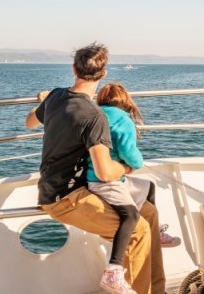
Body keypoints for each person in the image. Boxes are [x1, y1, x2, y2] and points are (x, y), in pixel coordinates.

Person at [25, 43, 165, 294]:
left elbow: (30, 121)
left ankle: (157, 290)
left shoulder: (56, 96)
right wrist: (125, 168)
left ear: (73, 69)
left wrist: (44, 101)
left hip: (56, 188)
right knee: (138, 229)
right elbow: (104, 172)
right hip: (68, 198)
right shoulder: (94, 116)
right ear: (103, 74)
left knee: (149, 212)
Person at [87, 82, 181, 284]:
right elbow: (129, 153)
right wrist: (135, 163)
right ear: (125, 101)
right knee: (130, 215)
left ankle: (158, 232)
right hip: (105, 181)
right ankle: (114, 268)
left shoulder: (94, 114)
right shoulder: (122, 120)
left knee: (148, 186)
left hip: (92, 177)